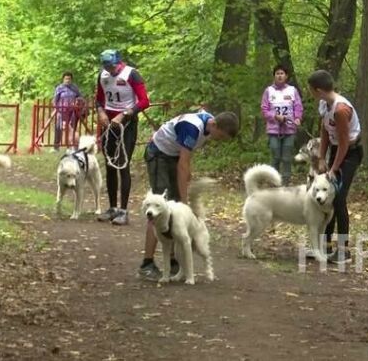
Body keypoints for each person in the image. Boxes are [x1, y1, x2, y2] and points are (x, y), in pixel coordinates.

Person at [138, 109, 240, 280]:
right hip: (158, 155)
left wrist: (187, 175)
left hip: (173, 156)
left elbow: (186, 158)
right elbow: (182, 165)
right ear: (214, 124)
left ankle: (172, 261)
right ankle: (147, 263)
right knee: (159, 208)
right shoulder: (193, 127)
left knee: (173, 211)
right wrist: (185, 203)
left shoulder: (208, 123)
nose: (218, 140)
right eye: (220, 136)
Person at [308, 69, 362, 263]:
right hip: (335, 150)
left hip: (350, 153)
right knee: (328, 198)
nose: (311, 95)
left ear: (319, 90)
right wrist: (322, 157)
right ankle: (324, 246)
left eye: (312, 91)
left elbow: (345, 143)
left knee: (339, 198)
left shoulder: (340, 110)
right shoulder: (324, 104)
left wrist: (333, 169)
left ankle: (344, 250)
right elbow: (324, 131)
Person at [95, 49, 150, 225]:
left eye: (111, 66)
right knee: (109, 163)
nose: (109, 69)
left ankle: (124, 211)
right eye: (106, 66)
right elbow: (99, 98)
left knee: (122, 164)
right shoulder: (102, 75)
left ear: (119, 63)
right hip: (109, 124)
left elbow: (144, 101)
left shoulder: (131, 74)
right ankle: (112, 208)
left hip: (127, 123)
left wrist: (125, 113)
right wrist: (100, 111)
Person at [261, 64, 303, 185]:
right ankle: (273, 181)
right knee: (275, 156)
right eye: (277, 73)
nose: (279, 76)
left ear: (286, 76)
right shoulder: (268, 91)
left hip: (289, 129)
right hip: (273, 130)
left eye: (282, 73)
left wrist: (298, 118)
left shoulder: (292, 90)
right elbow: (264, 110)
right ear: (274, 76)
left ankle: (286, 182)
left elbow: (298, 107)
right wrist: (274, 116)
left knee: (286, 157)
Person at [52, 72, 83, 151]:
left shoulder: (74, 88)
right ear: (63, 79)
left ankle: (70, 146)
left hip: (72, 111)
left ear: (71, 79)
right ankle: (56, 146)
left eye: (69, 79)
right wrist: (56, 109)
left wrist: (77, 101)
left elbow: (80, 97)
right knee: (58, 128)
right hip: (61, 111)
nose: (67, 80)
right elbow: (55, 100)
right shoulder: (59, 88)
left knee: (72, 128)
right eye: (66, 79)